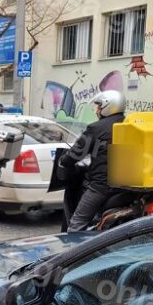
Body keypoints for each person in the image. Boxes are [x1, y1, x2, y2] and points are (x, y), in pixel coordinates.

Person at [58, 90, 126, 232]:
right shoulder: (129, 124)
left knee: (77, 223)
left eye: (99, 106)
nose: (96, 111)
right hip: (127, 184)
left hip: (102, 186)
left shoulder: (97, 128)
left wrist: (64, 160)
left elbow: (76, 153)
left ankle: (73, 251)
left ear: (108, 106)